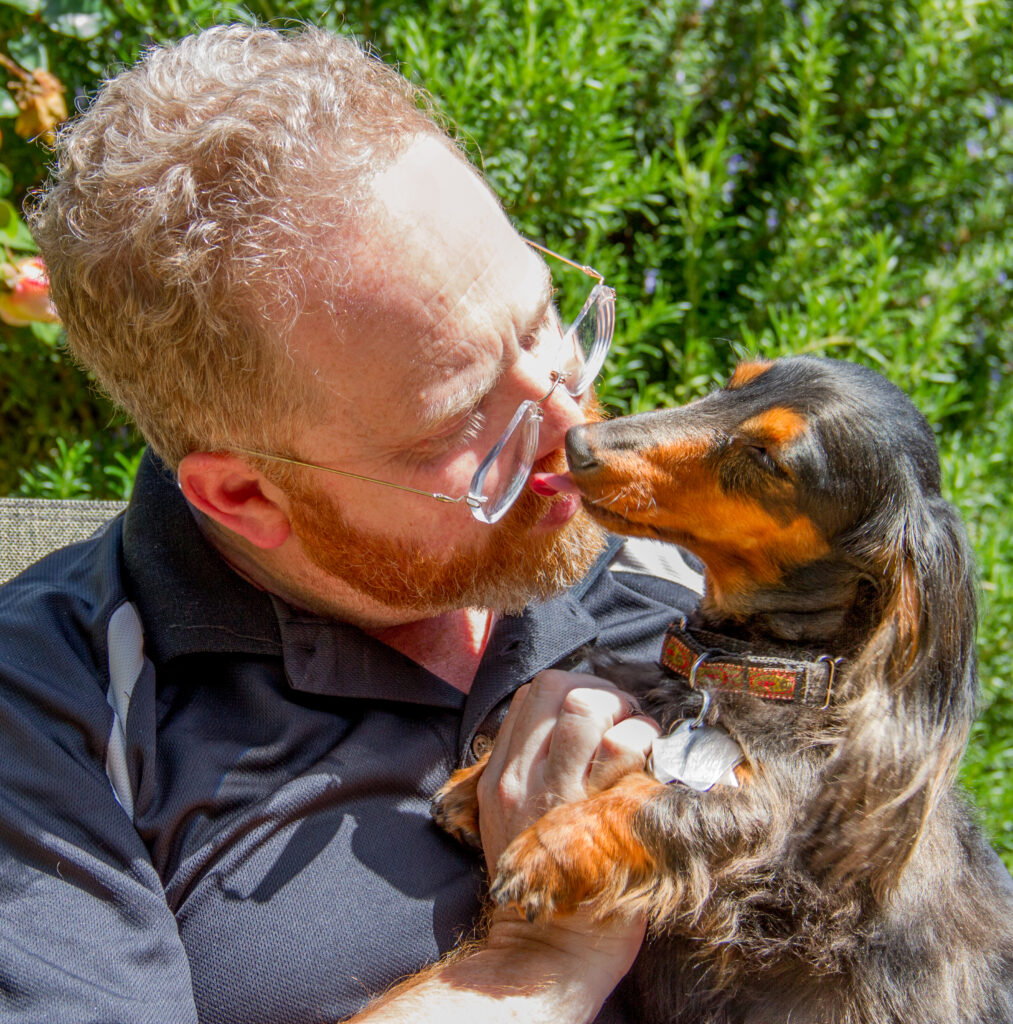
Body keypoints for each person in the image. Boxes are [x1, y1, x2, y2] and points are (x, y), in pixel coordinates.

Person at [0, 23, 704, 1024]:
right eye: (465, 417)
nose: (572, 431)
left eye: (543, 321)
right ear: (243, 497)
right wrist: (532, 965)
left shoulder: (676, 562)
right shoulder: (48, 713)